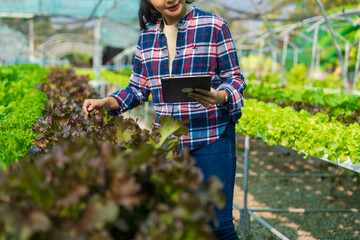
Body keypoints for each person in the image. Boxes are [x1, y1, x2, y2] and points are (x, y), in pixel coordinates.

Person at [82, 0, 246, 239]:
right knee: (175, 223)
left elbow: (235, 79)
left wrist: (220, 96)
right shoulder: (147, 37)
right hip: (169, 144)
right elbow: (137, 89)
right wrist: (105, 102)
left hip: (212, 136)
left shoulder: (213, 25)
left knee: (218, 225)